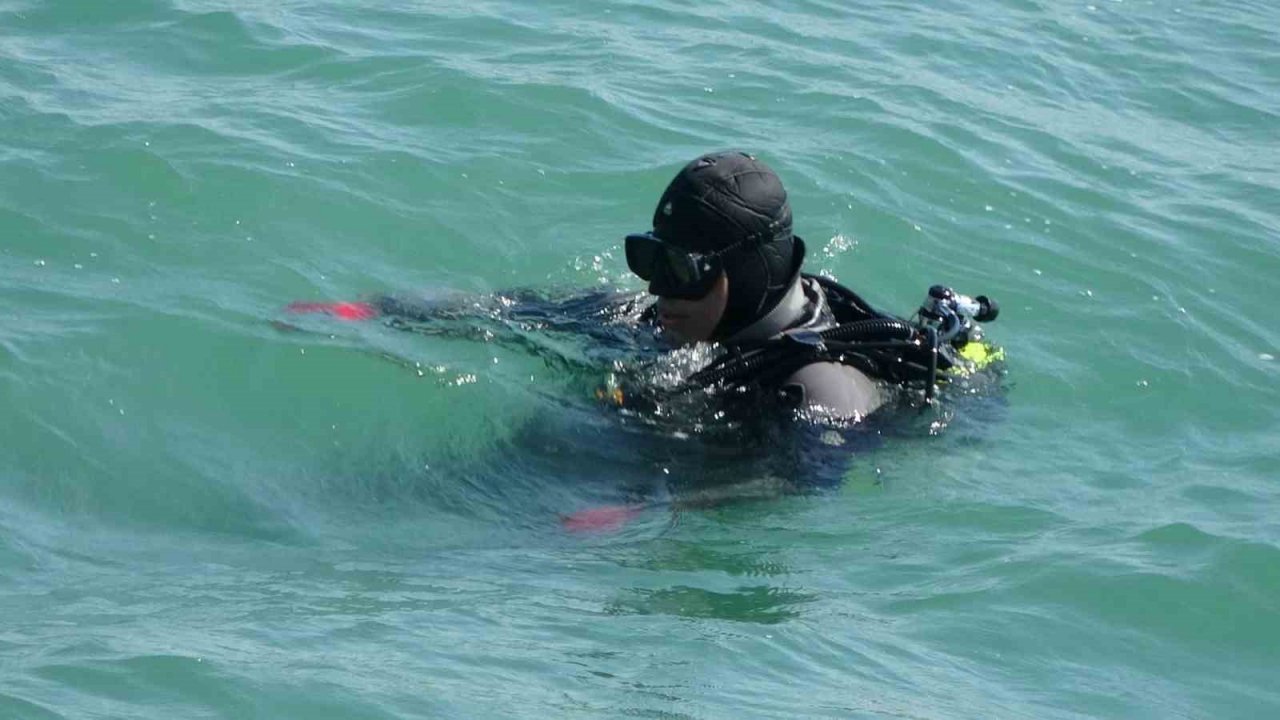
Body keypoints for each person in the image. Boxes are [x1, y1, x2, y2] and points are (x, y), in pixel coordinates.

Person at [624, 150, 886, 420]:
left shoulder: (821, 394)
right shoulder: (677, 316)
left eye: (682, 269)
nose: (657, 289)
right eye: (655, 260)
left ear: (745, 275)